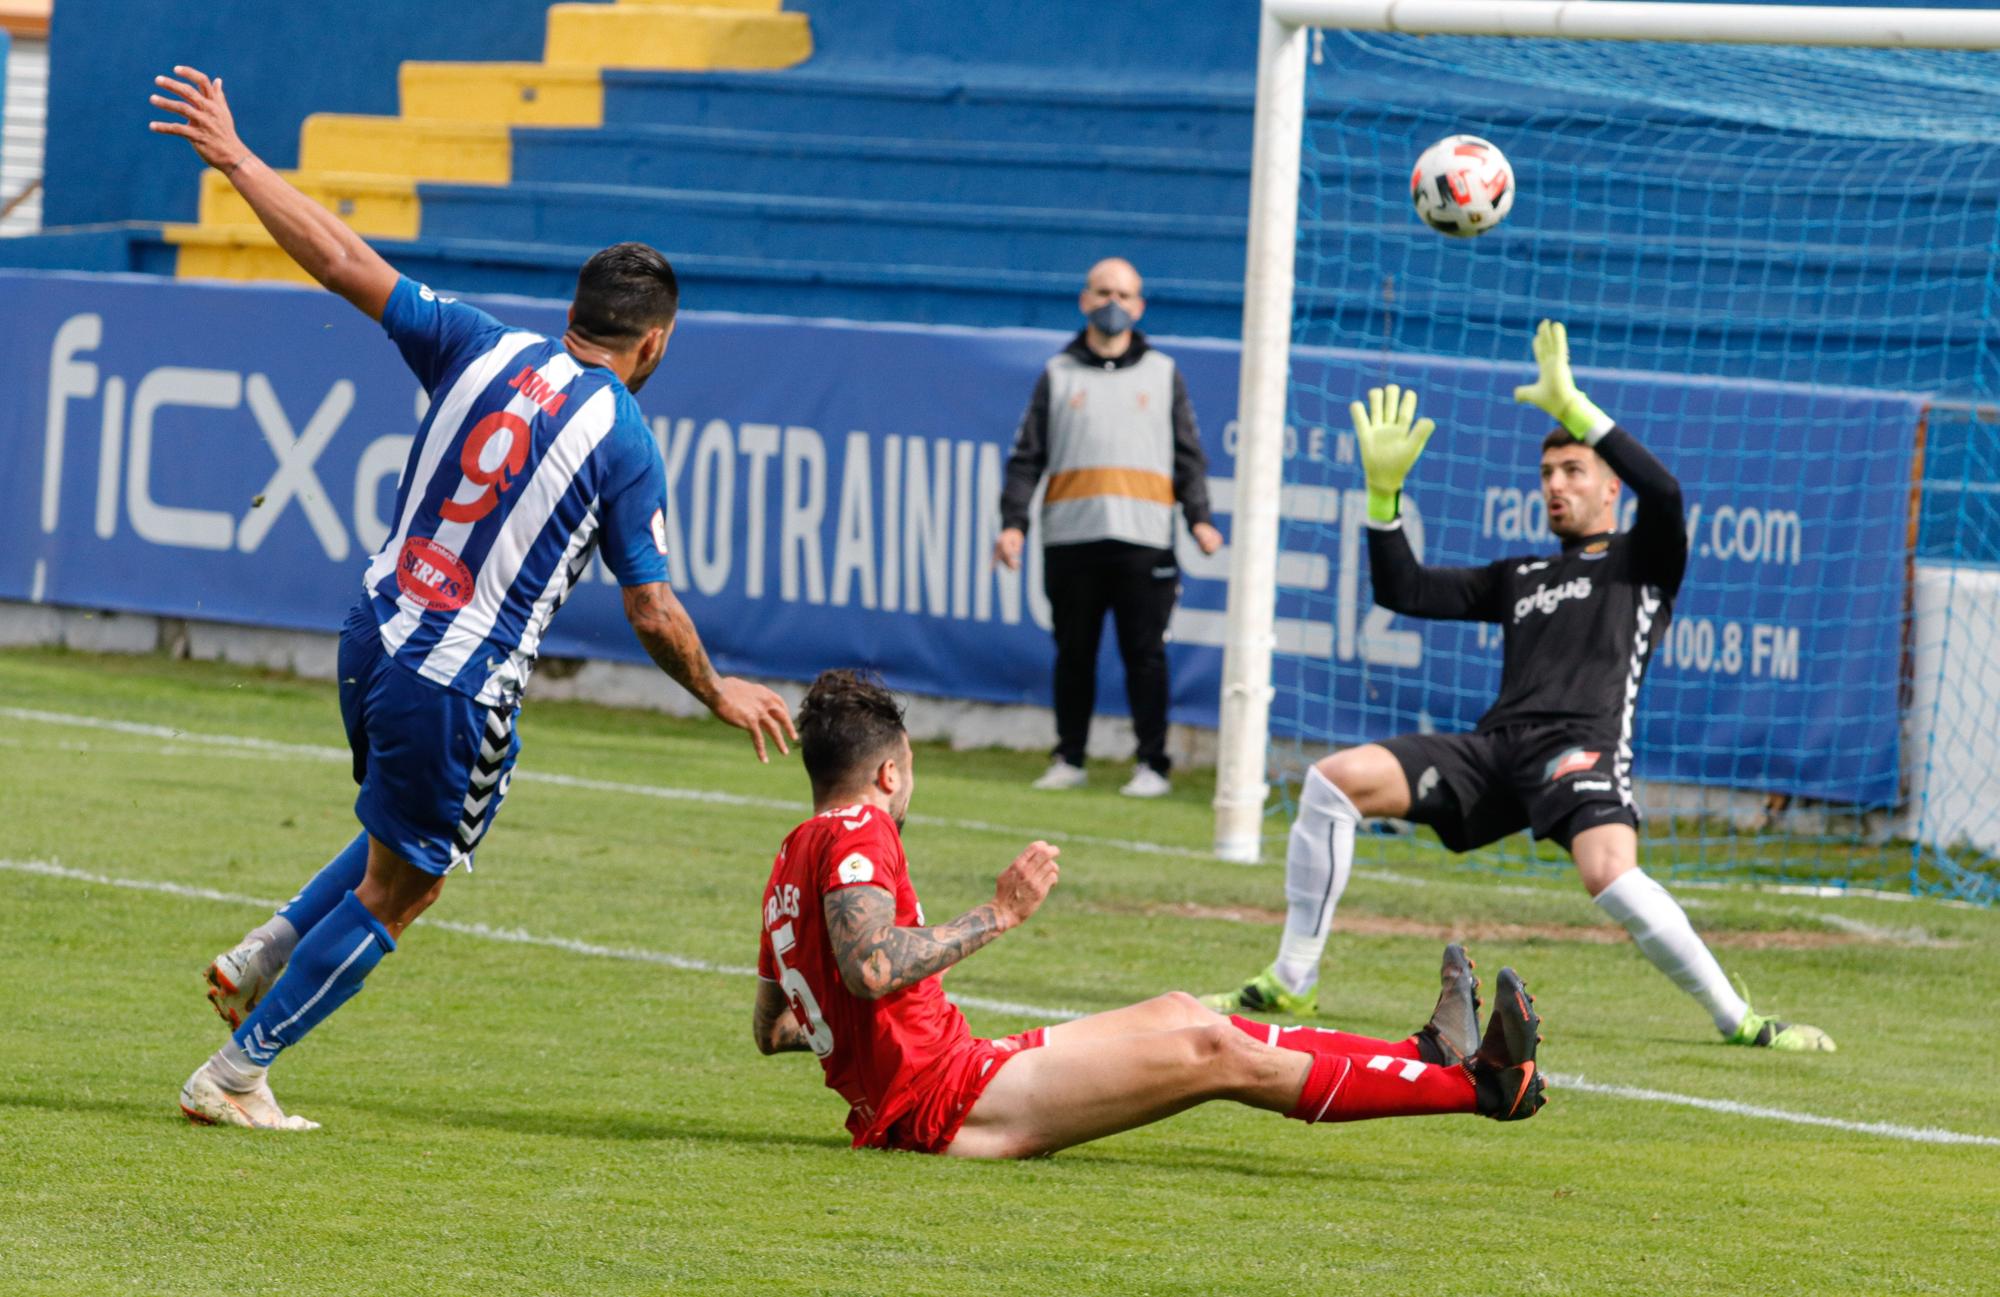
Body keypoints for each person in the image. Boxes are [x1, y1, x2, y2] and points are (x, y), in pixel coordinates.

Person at [151, 65, 797, 1129]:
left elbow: (341, 257)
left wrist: (238, 159)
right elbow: (650, 608)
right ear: (654, 343)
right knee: (411, 885)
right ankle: (236, 1074)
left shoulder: (481, 341)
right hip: (458, 678)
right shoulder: (625, 440)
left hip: (370, 634)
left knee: (401, 838)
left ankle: (266, 950)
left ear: (571, 314)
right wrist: (719, 689)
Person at [1204, 322, 1834, 1053]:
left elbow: (1666, 489)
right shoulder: (1522, 574)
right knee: (1330, 782)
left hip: (1580, 749)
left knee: (1609, 874)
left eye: (1573, 469)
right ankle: (1292, 976)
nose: (1557, 485)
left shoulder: (1643, 560)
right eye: (1548, 474)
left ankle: (1741, 1020)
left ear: (1609, 486)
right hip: (1494, 749)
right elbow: (1402, 587)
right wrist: (1383, 495)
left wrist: (1577, 407)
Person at [752, 669, 1546, 1160]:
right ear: (888, 770)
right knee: (1212, 1052)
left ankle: (1425, 1050)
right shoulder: (861, 831)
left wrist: (833, 1033)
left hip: (946, 1072)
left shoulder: (789, 859)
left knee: (1180, 1011)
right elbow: (871, 966)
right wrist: (999, 912)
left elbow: (774, 1026)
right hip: (946, 1098)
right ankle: (1479, 1086)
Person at [993, 258, 1223, 799]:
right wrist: (1013, 524)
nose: (1112, 302)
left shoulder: (1163, 373)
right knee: (1074, 652)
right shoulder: (1058, 373)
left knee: (1146, 654)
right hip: (1072, 537)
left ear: (1139, 306)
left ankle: (1153, 763)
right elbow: (1027, 458)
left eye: (1123, 293)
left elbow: (1188, 456)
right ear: (1084, 300)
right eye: (1103, 292)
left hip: (1144, 539)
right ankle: (1069, 755)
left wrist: (1200, 519)